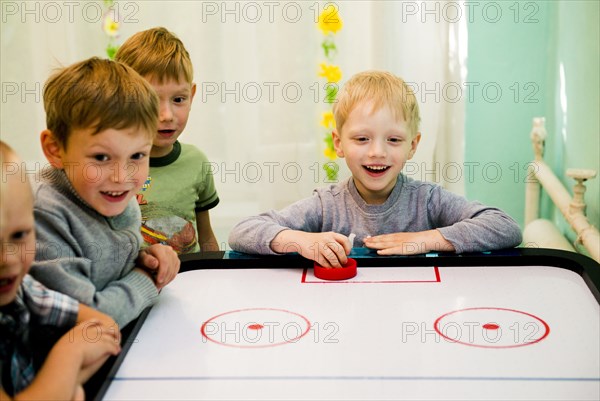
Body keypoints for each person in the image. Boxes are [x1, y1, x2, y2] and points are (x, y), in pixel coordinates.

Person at [228, 71, 522, 267]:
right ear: (339, 143)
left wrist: (425, 239)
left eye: (393, 139)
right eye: (361, 138)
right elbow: (242, 232)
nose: (377, 151)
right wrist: (302, 241)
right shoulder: (326, 204)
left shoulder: (427, 200)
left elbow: (504, 227)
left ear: (412, 145)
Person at [29, 57, 180, 328]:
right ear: (55, 149)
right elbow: (86, 323)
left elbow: (112, 263)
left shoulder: (112, 193)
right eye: (101, 157)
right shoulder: (43, 213)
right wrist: (146, 279)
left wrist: (148, 257)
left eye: (137, 155)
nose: (122, 177)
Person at [1, 141, 121, 399]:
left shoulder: (25, 288)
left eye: (20, 234)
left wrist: (64, 387)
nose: (8, 258)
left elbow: (105, 326)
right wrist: (71, 352)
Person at [115, 27, 220, 254]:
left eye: (179, 99)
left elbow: (207, 236)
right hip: (133, 286)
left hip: (189, 283)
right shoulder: (112, 169)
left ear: (192, 96)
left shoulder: (196, 162)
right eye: (152, 100)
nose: (167, 115)